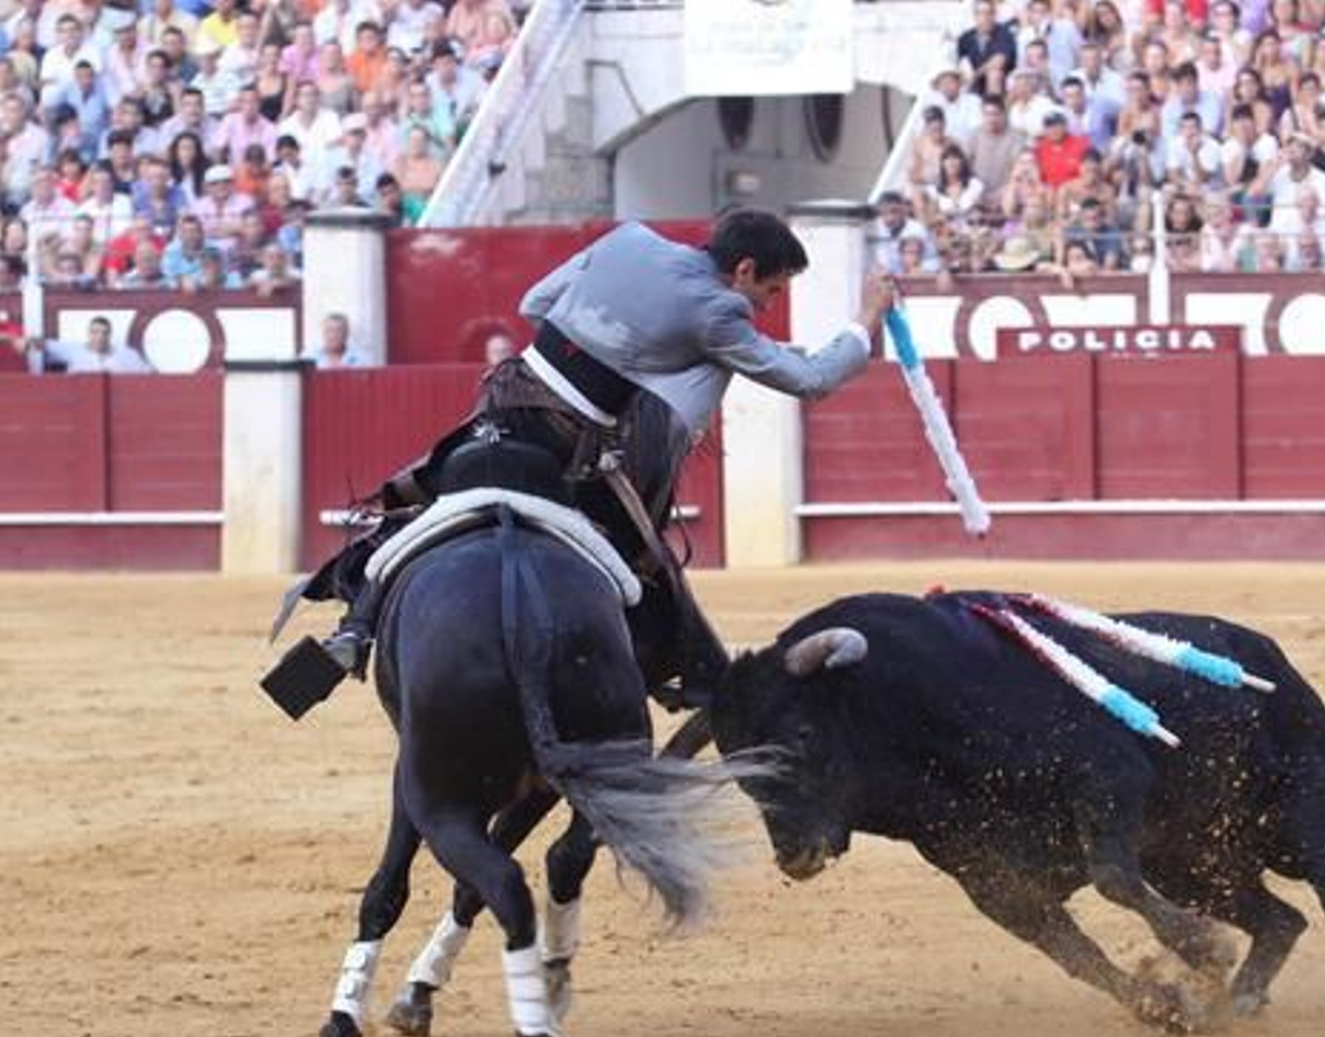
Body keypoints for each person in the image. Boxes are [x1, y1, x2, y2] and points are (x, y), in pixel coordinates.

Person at [279, 210, 896, 717]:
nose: (767, 305)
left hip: (502, 399)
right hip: (567, 444)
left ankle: (354, 627)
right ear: (743, 271)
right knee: (646, 562)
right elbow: (808, 379)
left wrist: (610, 338)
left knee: (420, 503)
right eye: (771, 289)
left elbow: (535, 302)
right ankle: (688, 673)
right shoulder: (720, 313)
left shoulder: (629, 237)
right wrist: (865, 322)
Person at [33, 314, 152, 373]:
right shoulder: (75, 350)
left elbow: (148, 376)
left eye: (104, 333)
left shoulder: (126, 355)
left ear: (109, 335)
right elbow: (45, 345)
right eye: (95, 332)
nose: (100, 337)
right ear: (89, 334)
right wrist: (28, 341)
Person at [308, 311, 373, 368]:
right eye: (329, 330)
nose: (334, 335)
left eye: (339, 331)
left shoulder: (362, 358)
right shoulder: (309, 356)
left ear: (347, 333)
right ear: (323, 333)